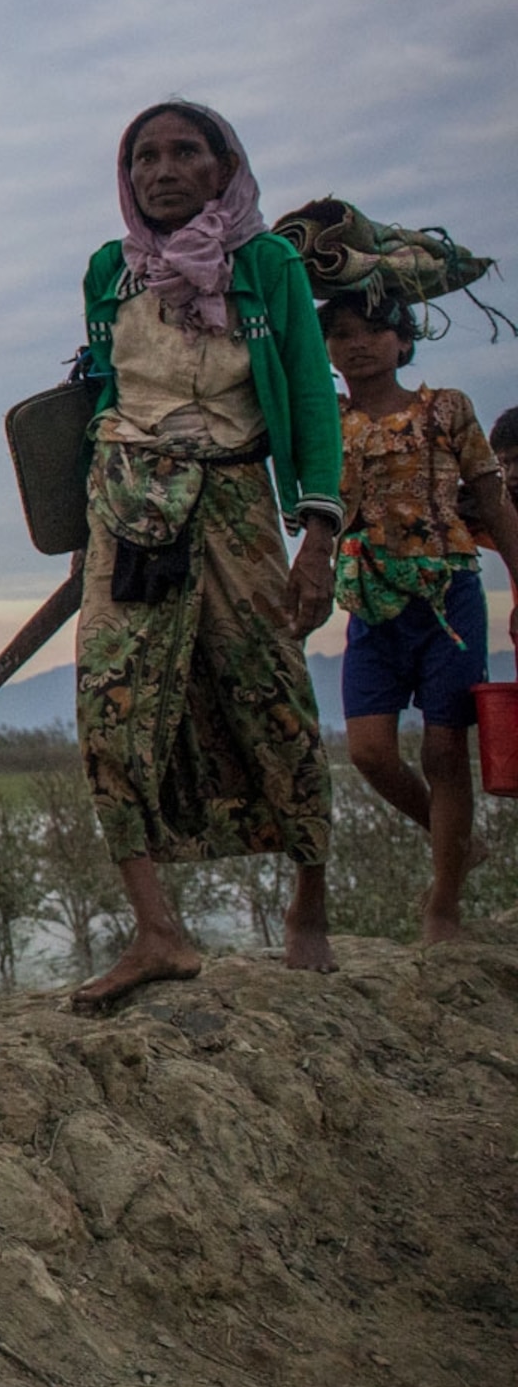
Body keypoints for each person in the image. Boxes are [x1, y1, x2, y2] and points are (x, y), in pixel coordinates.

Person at [69, 103, 341, 1009]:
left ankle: (311, 903)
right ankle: (157, 931)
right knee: (109, 703)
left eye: (185, 152)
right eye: (143, 156)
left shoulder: (266, 267)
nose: (161, 170)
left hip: (231, 497)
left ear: (226, 167)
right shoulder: (111, 273)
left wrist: (319, 538)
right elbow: (102, 391)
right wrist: (84, 536)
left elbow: (307, 390)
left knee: (270, 692)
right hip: (126, 498)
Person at [322, 292, 518, 941]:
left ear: (403, 341)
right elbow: (320, 510)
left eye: (376, 329)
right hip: (372, 604)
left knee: (443, 746)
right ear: (326, 349)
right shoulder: (330, 421)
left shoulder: (447, 408)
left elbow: (493, 501)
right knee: (371, 752)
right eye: (343, 333)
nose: (359, 344)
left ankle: (444, 904)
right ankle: (453, 836)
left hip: (449, 597)